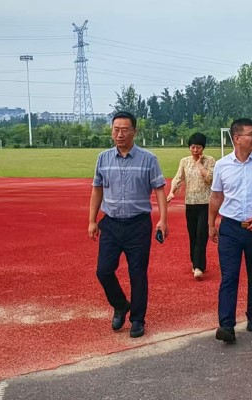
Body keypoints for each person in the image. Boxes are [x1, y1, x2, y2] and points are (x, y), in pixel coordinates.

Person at [88, 111, 168, 338]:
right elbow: (97, 189)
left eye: (124, 130)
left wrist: (163, 219)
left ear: (134, 131)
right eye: (116, 129)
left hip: (138, 225)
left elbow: (159, 189)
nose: (119, 134)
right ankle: (121, 305)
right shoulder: (103, 158)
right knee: (103, 271)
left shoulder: (148, 159)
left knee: (138, 274)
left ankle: (137, 319)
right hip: (111, 224)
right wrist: (92, 220)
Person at [208, 118, 252, 343]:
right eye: (251, 134)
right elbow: (216, 196)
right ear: (237, 138)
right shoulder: (222, 165)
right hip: (230, 227)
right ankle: (226, 325)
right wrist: (211, 223)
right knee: (229, 276)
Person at [167, 132, 215, 280]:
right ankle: (197, 263)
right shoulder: (185, 161)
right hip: (190, 203)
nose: (195, 150)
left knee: (201, 234)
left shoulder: (210, 160)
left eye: (198, 147)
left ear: (203, 148)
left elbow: (210, 178)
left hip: (205, 203)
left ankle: (198, 267)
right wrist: (171, 192)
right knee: (193, 235)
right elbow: (178, 178)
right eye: (193, 147)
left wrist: (199, 164)